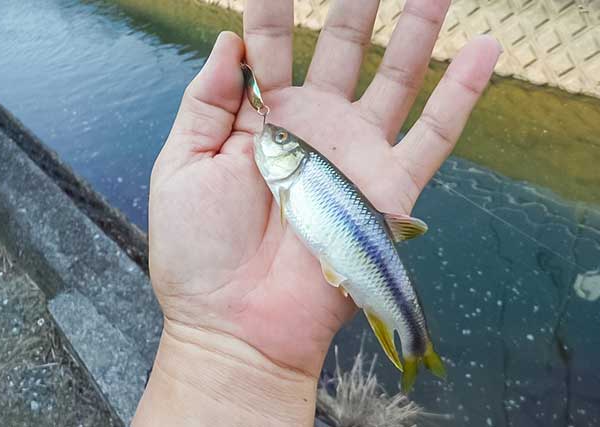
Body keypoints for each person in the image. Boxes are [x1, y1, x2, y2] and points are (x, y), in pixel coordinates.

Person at [132, 0, 500, 425]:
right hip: (357, 248)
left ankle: (416, 344)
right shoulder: (288, 178)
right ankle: (417, 346)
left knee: (385, 302)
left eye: (283, 141)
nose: (274, 140)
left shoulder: (297, 177)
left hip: (364, 251)